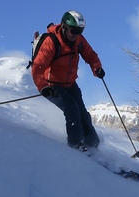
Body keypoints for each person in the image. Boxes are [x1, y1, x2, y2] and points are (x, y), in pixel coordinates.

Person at [31, 10, 105, 151]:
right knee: (72, 109)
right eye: (73, 30)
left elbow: (91, 56)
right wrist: (43, 87)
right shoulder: (51, 42)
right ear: (64, 27)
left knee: (83, 113)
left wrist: (97, 68)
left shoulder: (78, 40)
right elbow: (37, 67)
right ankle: (75, 145)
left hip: (71, 84)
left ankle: (92, 144)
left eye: (80, 31)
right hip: (52, 85)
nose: (76, 34)